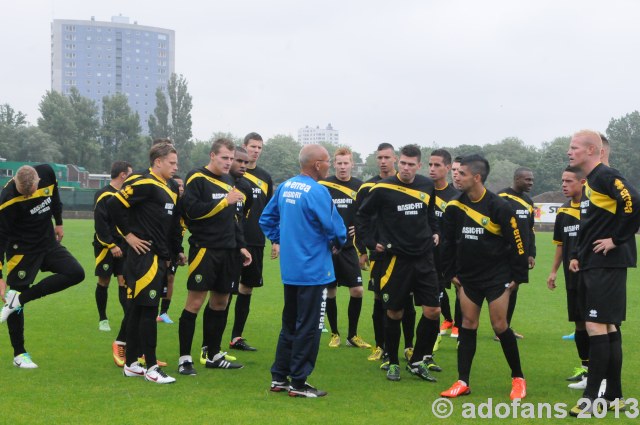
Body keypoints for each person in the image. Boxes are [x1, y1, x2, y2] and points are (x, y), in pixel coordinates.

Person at [260, 144, 346, 398]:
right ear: (317, 164)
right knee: (310, 327)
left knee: (290, 325)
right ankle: (298, 383)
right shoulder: (318, 191)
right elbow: (336, 229)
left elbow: (266, 219)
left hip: (292, 270)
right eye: (327, 161)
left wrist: (282, 240)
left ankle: (279, 377)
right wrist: (338, 244)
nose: (329, 165)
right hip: (314, 271)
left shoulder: (286, 186)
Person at [440, 154, 528, 400]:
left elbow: (518, 243)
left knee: (500, 326)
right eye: (456, 172)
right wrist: (450, 274)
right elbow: (446, 243)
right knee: (468, 325)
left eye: (462, 173)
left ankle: (518, 378)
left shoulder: (499, 206)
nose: (457, 176)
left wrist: (518, 277)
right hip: (468, 278)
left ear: (477, 177)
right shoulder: (455, 207)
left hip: (497, 277)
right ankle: (462, 381)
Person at [566, 130, 639, 415]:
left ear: (593, 150)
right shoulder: (590, 182)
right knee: (608, 327)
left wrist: (617, 239)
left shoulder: (605, 176)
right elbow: (592, 224)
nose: (569, 152)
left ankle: (590, 400)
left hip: (607, 264)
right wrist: (577, 255)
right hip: (593, 263)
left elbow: (634, 200)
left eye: (574, 148)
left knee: (597, 326)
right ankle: (614, 397)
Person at [357, 144, 442, 382]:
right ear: (399, 162)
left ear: (419, 165)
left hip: (424, 257)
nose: (405, 168)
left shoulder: (426, 185)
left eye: (410, 164)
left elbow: (431, 212)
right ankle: (392, 360)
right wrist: (372, 243)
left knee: (433, 310)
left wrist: (435, 231)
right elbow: (362, 215)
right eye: (402, 163)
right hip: (396, 259)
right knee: (394, 312)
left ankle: (416, 360)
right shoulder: (383, 188)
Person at [108, 142, 185, 384]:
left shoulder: (171, 186)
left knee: (138, 310)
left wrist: (176, 250)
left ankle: (131, 364)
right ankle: (151, 367)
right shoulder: (142, 182)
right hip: (144, 259)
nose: (176, 166)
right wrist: (128, 236)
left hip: (161, 257)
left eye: (176, 162)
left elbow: (171, 224)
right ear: (158, 162)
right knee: (148, 311)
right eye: (172, 162)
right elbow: (113, 206)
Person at [177, 138, 251, 376]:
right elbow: (191, 212)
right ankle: (185, 358)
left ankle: (213, 354)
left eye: (232, 158)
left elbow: (235, 217)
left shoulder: (230, 180)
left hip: (229, 251)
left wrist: (241, 245)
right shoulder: (196, 178)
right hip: (205, 249)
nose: (229, 163)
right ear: (212, 155)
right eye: (225, 158)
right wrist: (223, 201)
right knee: (195, 303)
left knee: (221, 302)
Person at [0, 164, 86, 368]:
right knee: (15, 297)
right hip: (21, 251)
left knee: (76, 273)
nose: (29, 196)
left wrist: (59, 221)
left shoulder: (47, 173)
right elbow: (0, 238)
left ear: (39, 179)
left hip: (47, 244)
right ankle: (19, 354)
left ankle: (19, 299)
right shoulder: (6, 200)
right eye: (24, 194)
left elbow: (55, 197)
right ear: (16, 184)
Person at [356, 143, 415, 363]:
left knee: (407, 300)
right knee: (379, 299)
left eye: (386, 157)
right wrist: (363, 249)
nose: (382, 161)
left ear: (395, 159)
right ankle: (381, 346)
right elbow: (359, 220)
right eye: (379, 157)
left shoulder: (409, 185)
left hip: (405, 253)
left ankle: (409, 346)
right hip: (379, 252)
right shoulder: (368, 187)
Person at [226, 132, 275, 352]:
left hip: (256, 240)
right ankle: (215, 339)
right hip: (232, 240)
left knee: (247, 289)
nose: (256, 150)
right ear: (243, 148)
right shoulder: (231, 174)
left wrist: (275, 239)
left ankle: (237, 336)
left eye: (259, 147)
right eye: (252, 146)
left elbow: (270, 211)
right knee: (225, 289)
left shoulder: (265, 177)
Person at [320, 147, 371, 349]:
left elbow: (365, 215)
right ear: (334, 164)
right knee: (330, 290)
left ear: (352, 164)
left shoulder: (360, 187)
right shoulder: (324, 185)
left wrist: (358, 229)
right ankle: (334, 334)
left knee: (357, 290)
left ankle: (353, 335)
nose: (342, 167)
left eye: (346, 163)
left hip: (349, 248)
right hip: (328, 246)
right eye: (339, 163)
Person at [546, 166, 589, 389]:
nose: (564, 184)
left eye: (569, 181)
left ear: (582, 182)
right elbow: (560, 245)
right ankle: (587, 371)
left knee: (596, 324)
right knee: (580, 323)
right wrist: (553, 271)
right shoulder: (563, 211)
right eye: (562, 180)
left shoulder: (593, 207)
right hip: (570, 276)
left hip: (593, 275)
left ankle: (601, 373)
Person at [497, 167, 536, 339]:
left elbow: (530, 229)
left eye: (532, 180)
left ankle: (506, 327)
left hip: (521, 255)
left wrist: (531, 253)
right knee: (502, 290)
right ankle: (499, 329)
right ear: (517, 178)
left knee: (515, 288)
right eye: (527, 179)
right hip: (503, 253)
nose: (531, 183)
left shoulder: (528, 201)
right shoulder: (502, 197)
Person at [94, 161, 133, 333]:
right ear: (123, 175)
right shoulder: (103, 195)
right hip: (105, 246)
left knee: (123, 280)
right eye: (130, 174)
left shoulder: (127, 194)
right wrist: (110, 245)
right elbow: (100, 223)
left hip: (123, 245)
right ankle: (103, 318)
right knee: (104, 280)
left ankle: (129, 317)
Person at [428, 150, 459, 341]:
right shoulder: (422, 190)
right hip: (428, 253)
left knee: (458, 288)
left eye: (437, 165)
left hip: (451, 252)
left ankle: (460, 326)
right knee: (437, 289)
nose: (432, 169)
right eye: (430, 165)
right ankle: (448, 319)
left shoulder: (455, 195)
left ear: (447, 168)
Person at [156, 174, 185, 324]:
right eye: (177, 185)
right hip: (159, 247)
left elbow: (178, 231)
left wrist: (180, 250)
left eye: (182, 186)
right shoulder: (165, 203)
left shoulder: (183, 206)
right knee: (156, 278)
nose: (180, 188)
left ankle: (163, 312)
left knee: (170, 278)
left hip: (173, 248)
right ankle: (151, 310)